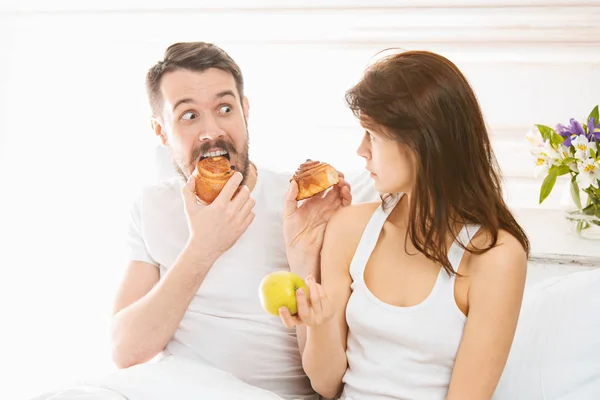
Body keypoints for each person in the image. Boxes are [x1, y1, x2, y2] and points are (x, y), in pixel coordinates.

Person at [30, 42, 377, 400]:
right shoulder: (152, 205)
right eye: (189, 116)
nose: (212, 131)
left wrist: (303, 257)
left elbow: (324, 378)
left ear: (244, 111)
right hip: (173, 388)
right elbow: (126, 351)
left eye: (225, 108)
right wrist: (203, 247)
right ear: (161, 131)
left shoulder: (303, 202)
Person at [279, 50, 530, 400]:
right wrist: (319, 325)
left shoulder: (494, 256)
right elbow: (326, 384)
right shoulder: (350, 228)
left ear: (422, 143)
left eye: (372, 135)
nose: (360, 150)